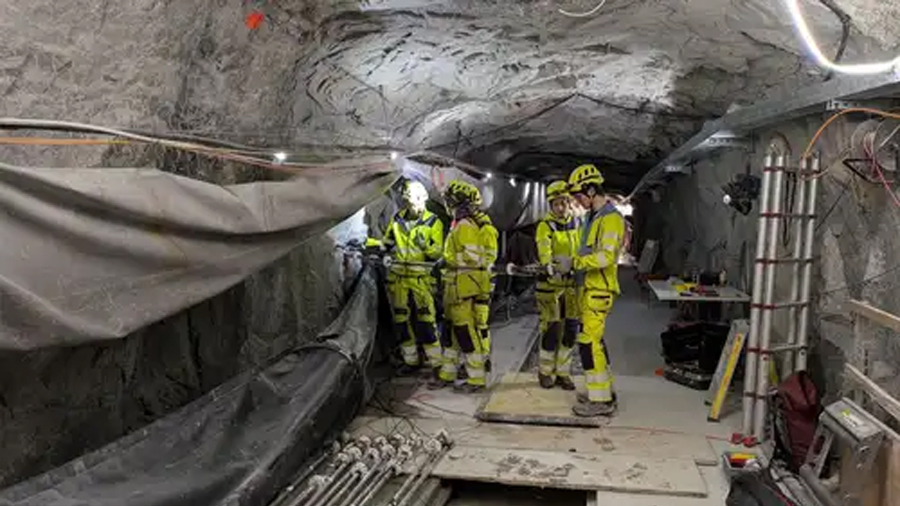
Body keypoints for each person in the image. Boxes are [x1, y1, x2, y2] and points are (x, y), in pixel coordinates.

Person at [560, 164, 625, 417]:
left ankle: (600, 401)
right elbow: (587, 252)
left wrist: (574, 263)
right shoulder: (593, 218)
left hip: (599, 290)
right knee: (595, 343)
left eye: (578, 196)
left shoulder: (611, 219)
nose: (577, 201)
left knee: (588, 343)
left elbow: (605, 258)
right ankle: (604, 391)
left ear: (591, 189)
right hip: (589, 288)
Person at [432, 180, 498, 393]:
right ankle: (447, 374)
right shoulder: (459, 225)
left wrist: (448, 260)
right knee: (450, 335)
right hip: (455, 288)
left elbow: (474, 258)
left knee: (465, 334)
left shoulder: (465, 227)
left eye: (450, 201)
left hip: (463, 289)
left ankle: (476, 379)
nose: (447, 204)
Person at [374, 180, 445, 378]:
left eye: (418, 201)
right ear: (406, 201)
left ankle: (437, 364)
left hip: (421, 280)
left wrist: (426, 247)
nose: (416, 205)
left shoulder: (433, 222)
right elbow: (387, 243)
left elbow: (437, 252)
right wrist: (371, 246)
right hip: (399, 279)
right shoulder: (397, 220)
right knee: (401, 322)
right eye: (411, 201)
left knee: (426, 322)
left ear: (423, 200)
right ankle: (411, 361)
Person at [534, 180, 580, 390]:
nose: (560, 208)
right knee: (552, 330)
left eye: (563, 203)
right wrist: (548, 265)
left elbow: (582, 250)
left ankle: (563, 373)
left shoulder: (578, 224)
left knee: (570, 330)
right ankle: (545, 372)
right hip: (551, 287)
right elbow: (544, 249)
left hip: (571, 286)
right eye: (555, 204)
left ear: (569, 202)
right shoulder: (545, 226)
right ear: (550, 206)